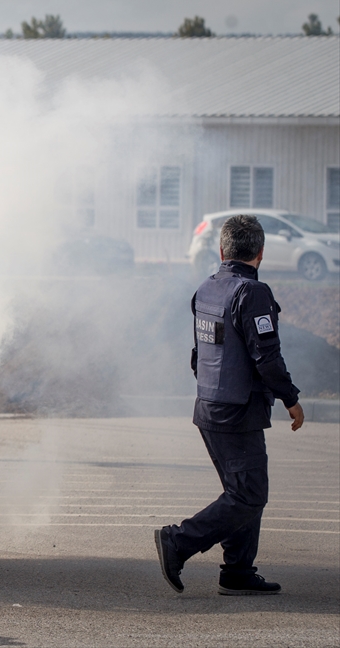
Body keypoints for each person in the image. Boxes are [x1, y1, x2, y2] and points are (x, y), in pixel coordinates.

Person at [155, 214, 305, 596]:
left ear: (222, 251)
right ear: (261, 253)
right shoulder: (252, 293)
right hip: (237, 412)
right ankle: (178, 541)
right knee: (249, 495)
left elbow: (198, 355)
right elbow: (267, 357)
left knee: (242, 492)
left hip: (210, 406)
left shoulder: (207, 288)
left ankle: (237, 571)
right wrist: (290, 398)